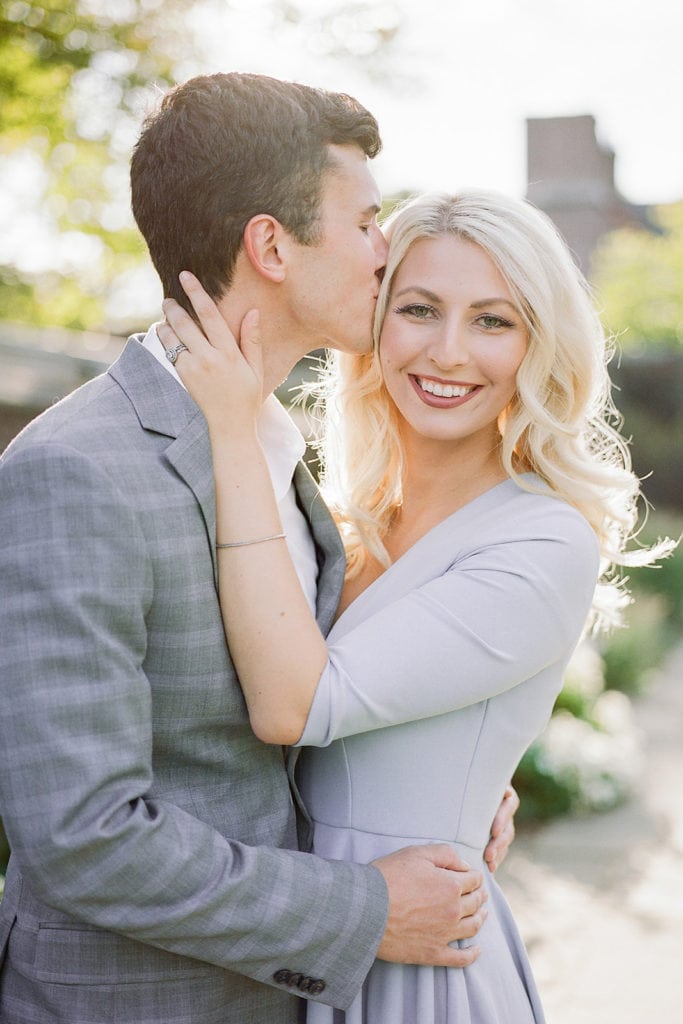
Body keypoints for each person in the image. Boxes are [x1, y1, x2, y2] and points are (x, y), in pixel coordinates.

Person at [0, 75, 519, 1024]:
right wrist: (367, 910)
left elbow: (285, 718)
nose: (385, 251)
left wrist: (434, 784)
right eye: (365, 222)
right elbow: (81, 834)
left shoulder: (276, 452)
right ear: (271, 245)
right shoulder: (76, 472)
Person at [158, 187, 674, 1023]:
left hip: (412, 974)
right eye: (419, 309)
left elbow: (298, 703)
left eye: (492, 321)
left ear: (540, 344)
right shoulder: (338, 520)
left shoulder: (541, 541)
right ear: (373, 322)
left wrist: (231, 426)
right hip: (282, 948)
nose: (447, 352)